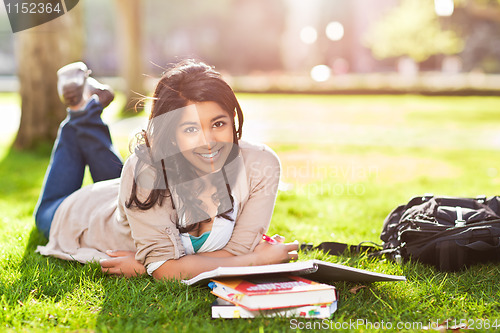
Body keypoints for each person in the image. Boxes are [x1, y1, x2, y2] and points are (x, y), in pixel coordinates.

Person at [35, 59, 299, 280]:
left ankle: (87, 107)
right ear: (170, 135)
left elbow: (236, 252)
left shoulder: (260, 164)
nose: (209, 142)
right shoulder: (144, 170)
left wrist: (166, 266)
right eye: (191, 129)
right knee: (47, 211)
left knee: (136, 176)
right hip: (83, 213)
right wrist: (257, 261)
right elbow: (167, 269)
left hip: (137, 197)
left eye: (218, 124)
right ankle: (80, 111)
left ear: (232, 120)